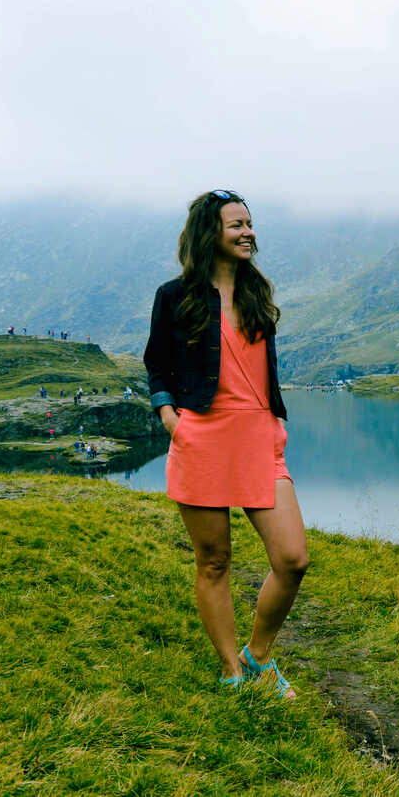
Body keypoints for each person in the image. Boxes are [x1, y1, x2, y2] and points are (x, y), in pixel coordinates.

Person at [143, 188, 306, 697]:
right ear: (209, 233)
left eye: (250, 223)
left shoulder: (257, 292)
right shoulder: (175, 296)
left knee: (292, 558)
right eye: (236, 225)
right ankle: (231, 672)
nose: (247, 232)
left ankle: (257, 656)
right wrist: (171, 417)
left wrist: (275, 420)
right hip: (202, 437)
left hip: (260, 438)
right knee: (214, 560)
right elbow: (157, 362)